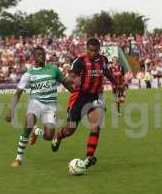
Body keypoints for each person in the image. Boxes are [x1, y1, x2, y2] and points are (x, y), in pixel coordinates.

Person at [51, 38, 123, 169]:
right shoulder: (80, 61)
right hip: (80, 97)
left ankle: (88, 158)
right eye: (90, 50)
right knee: (70, 130)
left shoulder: (103, 60)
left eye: (96, 51)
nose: (93, 53)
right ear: (86, 49)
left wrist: (116, 83)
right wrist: (70, 79)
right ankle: (59, 136)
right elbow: (72, 75)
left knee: (96, 126)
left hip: (95, 97)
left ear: (99, 50)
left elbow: (106, 71)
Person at [5, 46, 74, 168]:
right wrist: (11, 111)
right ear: (33, 57)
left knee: (49, 136)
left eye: (43, 54)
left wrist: (76, 95)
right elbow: (18, 93)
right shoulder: (28, 74)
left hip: (50, 106)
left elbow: (65, 83)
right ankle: (18, 158)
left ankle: (36, 131)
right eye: (38, 55)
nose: (41, 56)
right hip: (35, 104)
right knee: (27, 128)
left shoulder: (54, 70)